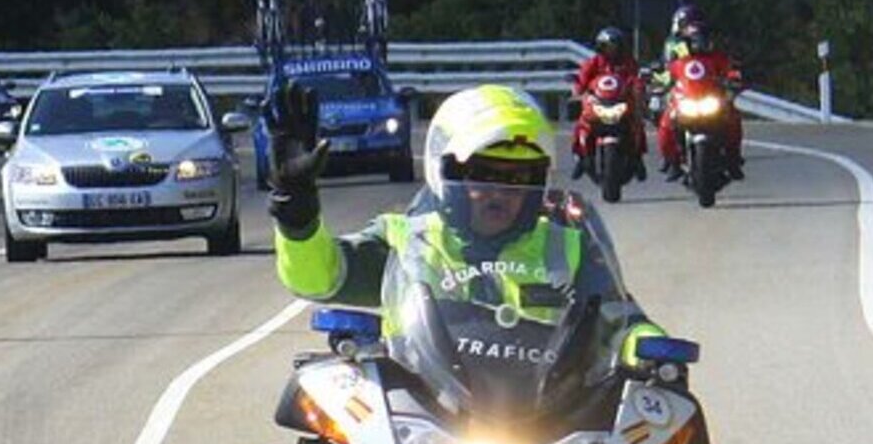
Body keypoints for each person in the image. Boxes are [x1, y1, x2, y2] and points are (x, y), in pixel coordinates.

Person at [266, 81, 664, 362]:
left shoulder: (567, 245)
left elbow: (621, 318)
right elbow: (318, 279)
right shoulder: (408, 240)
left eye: (519, 179)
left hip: (546, 421)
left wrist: (653, 350)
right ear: (447, 173)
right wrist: (296, 209)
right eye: (484, 174)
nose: (501, 191)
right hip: (420, 416)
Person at [651, 22, 744, 182]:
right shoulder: (679, 59)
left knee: (734, 119)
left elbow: (731, 71)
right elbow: (666, 75)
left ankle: (733, 159)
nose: (698, 44)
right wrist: (658, 81)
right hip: (685, 100)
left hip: (712, 100)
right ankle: (673, 162)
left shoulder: (717, 58)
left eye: (701, 39)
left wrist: (734, 79)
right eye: (694, 40)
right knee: (666, 125)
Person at [570, 26, 646, 180]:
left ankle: (638, 158)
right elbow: (581, 82)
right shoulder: (593, 63)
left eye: (617, 46)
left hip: (621, 102)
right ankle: (580, 157)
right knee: (581, 125)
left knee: (637, 123)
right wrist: (577, 92)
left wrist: (639, 92)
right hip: (598, 103)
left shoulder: (628, 62)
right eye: (609, 47)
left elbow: (636, 80)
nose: (613, 50)